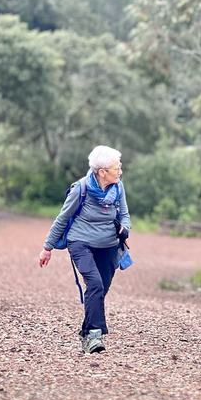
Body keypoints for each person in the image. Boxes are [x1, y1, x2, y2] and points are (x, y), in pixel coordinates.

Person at [39, 145, 131, 354]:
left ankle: (85, 331)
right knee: (95, 285)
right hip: (80, 243)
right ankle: (94, 337)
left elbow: (125, 214)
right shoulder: (81, 189)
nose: (120, 170)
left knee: (100, 290)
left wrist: (126, 228)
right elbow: (62, 218)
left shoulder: (118, 187)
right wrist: (47, 247)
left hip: (108, 245)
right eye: (117, 167)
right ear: (102, 172)